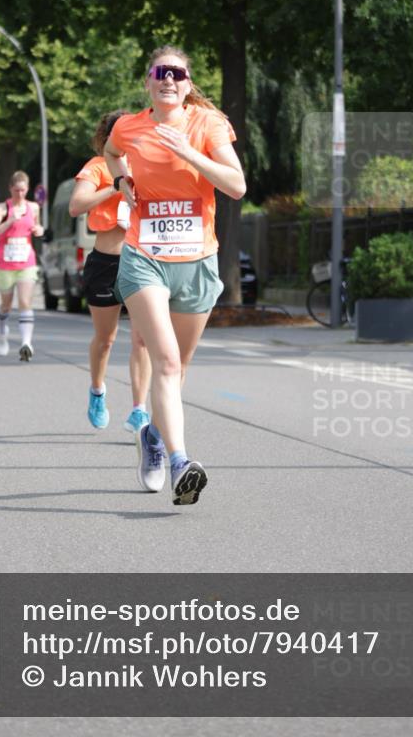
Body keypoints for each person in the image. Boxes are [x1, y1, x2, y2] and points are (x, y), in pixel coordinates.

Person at [104, 46, 246, 506]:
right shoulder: (129, 126)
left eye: (177, 73)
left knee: (179, 368)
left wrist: (189, 153)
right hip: (144, 257)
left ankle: (152, 436)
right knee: (164, 362)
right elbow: (111, 152)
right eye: (160, 72)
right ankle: (181, 462)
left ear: (187, 84)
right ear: (148, 81)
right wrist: (120, 180)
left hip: (198, 261)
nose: (168, 79)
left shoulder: (208, 124)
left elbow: (236, 185)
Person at [69, 111, 152, 433]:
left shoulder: (146, 164)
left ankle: (139, 410)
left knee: (142, 340)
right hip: (106, 262)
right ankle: (97, 390)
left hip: (141, 260)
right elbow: (76, 206)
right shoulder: (97, 166)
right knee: (106, 339)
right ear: (108, 137)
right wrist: (116, 186)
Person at [0, 170, 44, 362]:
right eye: (17, 190)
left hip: (26, 262)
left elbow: (37, 226)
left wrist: (39, 230)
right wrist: (10, 221)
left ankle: (26, 343)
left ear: (27, 189)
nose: (20, 193)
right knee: (6, 305)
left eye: (23, 190)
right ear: (10, 188)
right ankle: (2, 331)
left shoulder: (33, 207)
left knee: (25, 302)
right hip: (5, 264)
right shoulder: (2, 209)